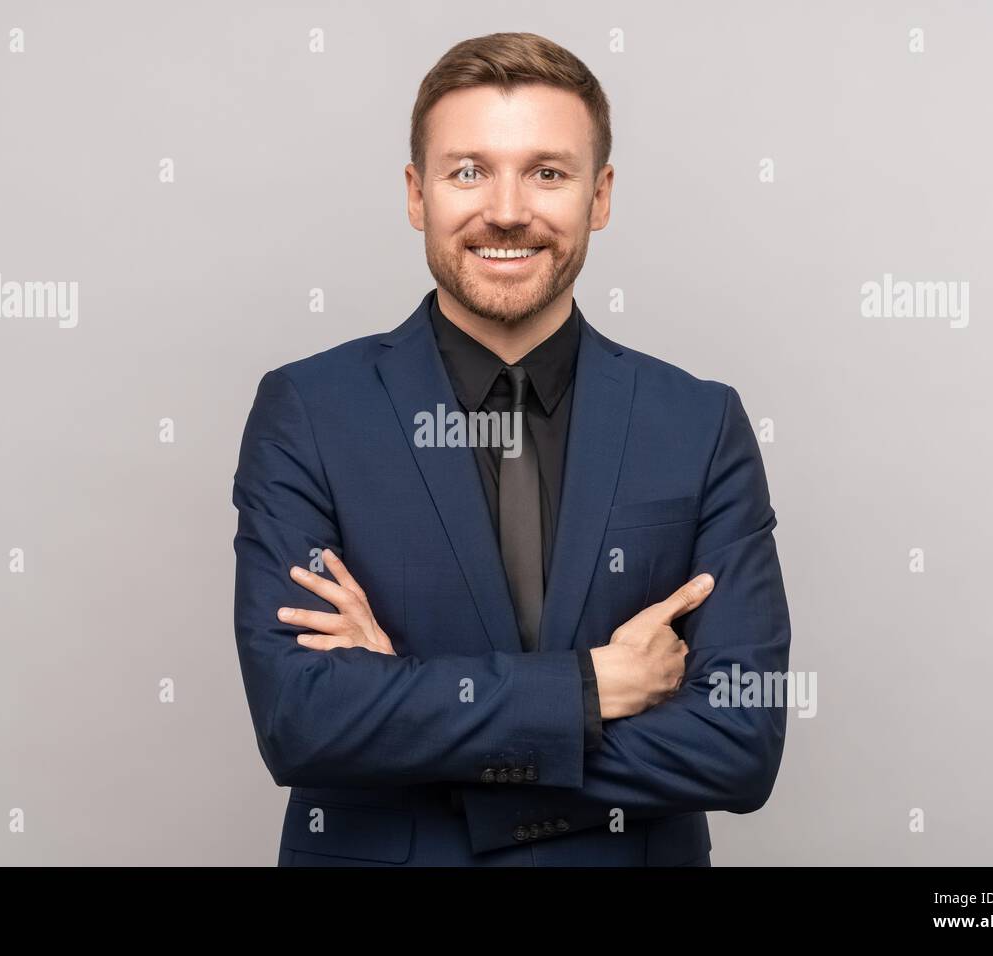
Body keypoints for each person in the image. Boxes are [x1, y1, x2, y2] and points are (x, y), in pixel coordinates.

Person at [232, 31, 791, 866]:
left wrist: (412, 724)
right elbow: (304, 720)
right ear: (417, 195)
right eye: (468, 171)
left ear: (599, 196)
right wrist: (591, 691)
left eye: (548, 172)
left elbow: (740, 742)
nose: (505, 209)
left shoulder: (699, 422)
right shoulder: (308, 410)